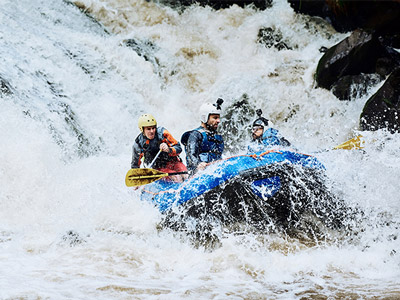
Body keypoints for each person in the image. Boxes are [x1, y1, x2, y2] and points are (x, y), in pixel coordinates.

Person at [131, 114, 187, 182]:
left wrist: (169, 149)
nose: (152, 131)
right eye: (148, 129)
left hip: (173, 162)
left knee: (186, 175)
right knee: (177, 178)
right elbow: (135, 165)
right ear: (142, 129)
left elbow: (178, 148)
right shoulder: (138, 144)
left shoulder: (162, 133)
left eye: (153, 128)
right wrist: (137, 180)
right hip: (158, 168)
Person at [181, 98, 224, 174]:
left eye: (218, 117)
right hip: (199, 174)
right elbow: (191, 155)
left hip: (216, 172)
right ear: (205, 118)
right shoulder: (195, 135)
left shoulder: (217, 136)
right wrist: (198, 163)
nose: (218, 121)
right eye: (215, 118)